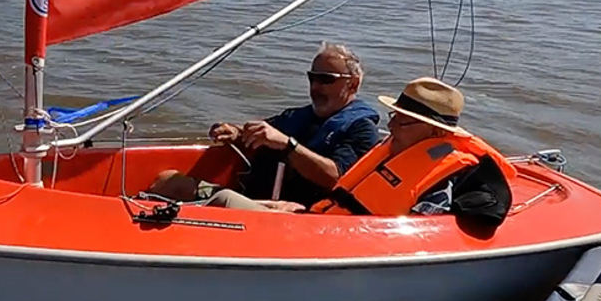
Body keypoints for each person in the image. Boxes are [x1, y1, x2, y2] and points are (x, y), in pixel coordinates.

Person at [204, 77, 515, 226]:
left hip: (339, 238)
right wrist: (296, 209)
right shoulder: (393, 149)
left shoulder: (443, 174)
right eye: (393, 117)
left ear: (435, 132)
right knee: (218, 201)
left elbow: (420, 232)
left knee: (222, 201)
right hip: (321, 221)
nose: (391, 127)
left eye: (402, 122)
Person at [147, 43, 382, 207]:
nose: (316, 87)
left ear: (352, 85)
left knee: (224, 199)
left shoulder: (361, 128)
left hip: (299, 214)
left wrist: (288, 145)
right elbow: (262, 133)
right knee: (168, 180)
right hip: (257, 202)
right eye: (312, 78)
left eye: (326, 80)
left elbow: (338, 178)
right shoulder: (297, 116)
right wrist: (236, 133)